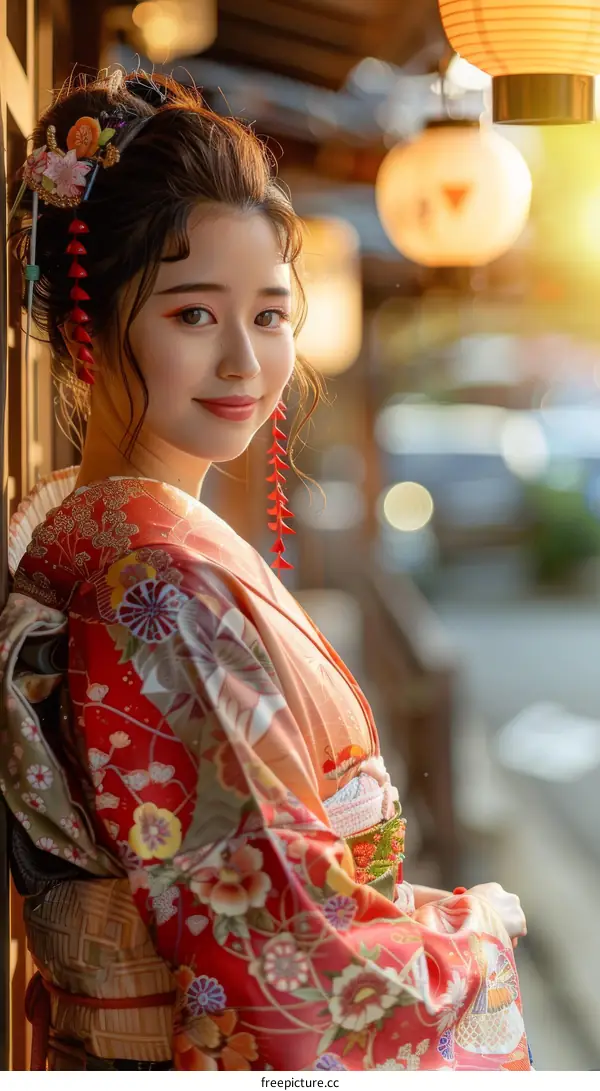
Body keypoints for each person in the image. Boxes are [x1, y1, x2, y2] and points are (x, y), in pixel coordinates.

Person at [0, 70, 530, 1072]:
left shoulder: (85, 535)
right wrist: (474, 938)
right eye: (195, 315)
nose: (245, 360)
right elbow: (294, 965)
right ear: (86, 328)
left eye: (272, 314)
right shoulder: (153, 589)